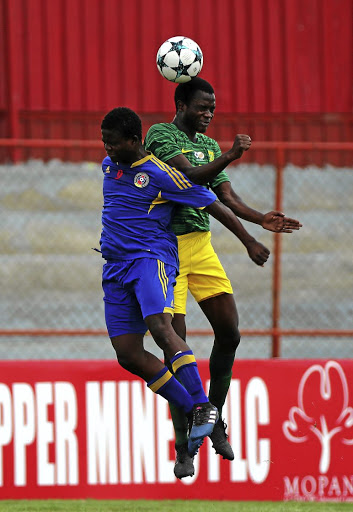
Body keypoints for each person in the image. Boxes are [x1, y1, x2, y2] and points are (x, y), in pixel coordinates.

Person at [144, 77, 302, 478]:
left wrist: (260, 219)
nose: (210, 113)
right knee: (176, 350)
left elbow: (225, 197)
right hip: (168, 250)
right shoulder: (160, 135)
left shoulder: (210, 145)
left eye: (213, 107)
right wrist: (231, 155)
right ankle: (185, 447)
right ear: (181, 104)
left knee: (230, 333)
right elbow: (192, 178)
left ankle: (213, 421)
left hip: (201, 246)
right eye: (202, 107)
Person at [98, 106, 259, 457]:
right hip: (114, 268)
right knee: (127, 354)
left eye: (113, 144)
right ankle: (195, 410)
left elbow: (213, 203)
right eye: (104, 143)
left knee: (161, 327)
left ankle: (201, 405)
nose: (107, 150)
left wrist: (249, 238)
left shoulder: (162, 175)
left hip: (149, 261)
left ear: (134, 140)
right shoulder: (110, 166)